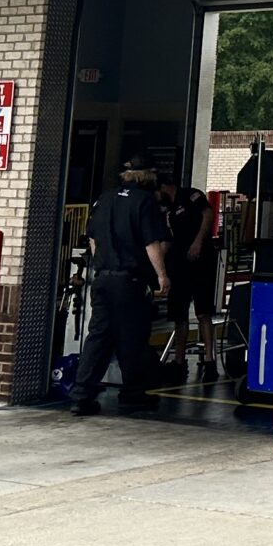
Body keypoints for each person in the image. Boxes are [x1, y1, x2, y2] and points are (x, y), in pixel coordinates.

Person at [71, 162, 171, 415]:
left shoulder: (104, 199)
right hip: (130, 281)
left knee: (98, 337)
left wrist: (100, 265)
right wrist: (162, 276)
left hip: (103, 278)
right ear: (146, 176)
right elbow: (151, 243)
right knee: (132, 338)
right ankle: (133, 394)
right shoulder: (144, 202)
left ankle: (82, 394)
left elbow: (92, 239)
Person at [157, 184, 212, 368]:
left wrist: (198, 241)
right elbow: (167, 241)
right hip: (178, 263)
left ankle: (210, 359)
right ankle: (179, 360)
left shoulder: (191, 195)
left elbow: (208, 214)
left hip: (201, 260)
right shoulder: (166, 210)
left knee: (203, 311)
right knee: (179, 314)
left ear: (164, 187)